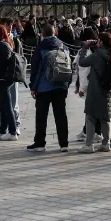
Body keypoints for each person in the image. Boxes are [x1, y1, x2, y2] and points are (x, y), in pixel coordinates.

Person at [27, 23, 71, 152]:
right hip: (61, 85)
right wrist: (66, 84)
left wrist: (33, 87)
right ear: (54, 32)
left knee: (41, 116)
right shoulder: (64, 46)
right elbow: (69, 66)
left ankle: (40, 143)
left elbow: (35, 69)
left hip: (43, 86)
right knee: (61, 115)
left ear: (42, 34)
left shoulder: (40, 47)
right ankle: (64, 144)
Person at [77, 31, 111, 153]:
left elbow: (82, 62)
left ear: (101, 42)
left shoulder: (98, 55)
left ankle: (88, 145)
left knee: (90, 117)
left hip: (96, 90)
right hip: (109, 91)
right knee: (106, 118)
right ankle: (106, 143)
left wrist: (86, 47)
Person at [0, 24, 19, 140]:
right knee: (2, 105)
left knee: (6, 105)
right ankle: (2, 130)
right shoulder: (1, 45)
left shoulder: (4, 46)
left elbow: (3, 62)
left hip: (4, 79)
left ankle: (12, 131)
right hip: (1, 79)